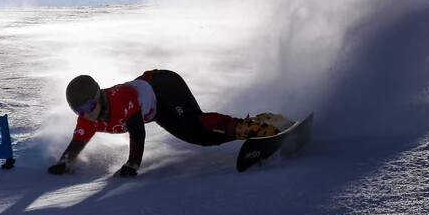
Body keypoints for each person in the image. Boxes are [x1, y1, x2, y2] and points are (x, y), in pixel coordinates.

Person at [48, 69, 292, 177]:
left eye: (89, 106)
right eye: (78, 110)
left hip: (164, 86)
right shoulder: (87, 121)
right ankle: (258, 123)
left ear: (99, 98)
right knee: (202, 138)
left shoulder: (120, 100)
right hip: (158, 110)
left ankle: (260, 128)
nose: (86, 113)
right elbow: (76, 144)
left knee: (196, 125)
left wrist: (133, 165)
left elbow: (138, 134)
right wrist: (65, 163)